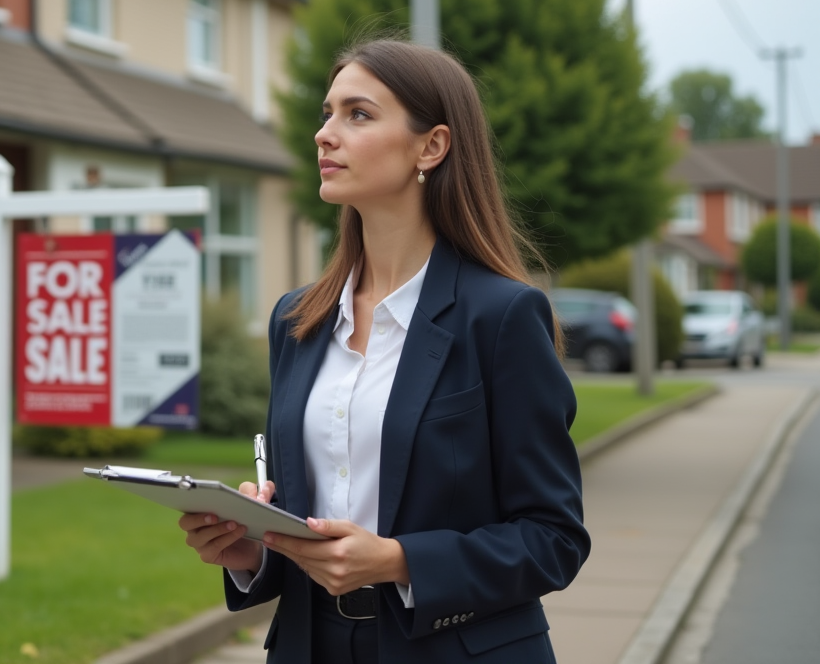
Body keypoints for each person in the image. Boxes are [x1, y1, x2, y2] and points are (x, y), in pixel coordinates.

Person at [178, 39, 590, 663]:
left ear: (432, 146)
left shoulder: (502, 316)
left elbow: (553, 538)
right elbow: (310, 524)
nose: (325, 134)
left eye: (358, 114)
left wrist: (398, 562)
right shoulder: (298, 320)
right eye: (327, 112)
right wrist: (254, 551)